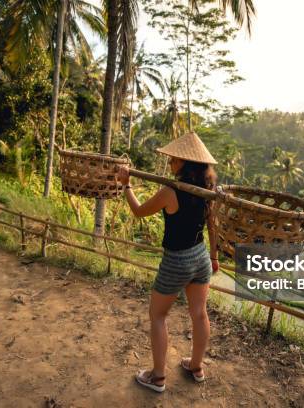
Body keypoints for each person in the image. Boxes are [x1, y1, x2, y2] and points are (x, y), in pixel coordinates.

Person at [117, 132, 220, 393]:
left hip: (177, 260)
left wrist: (126, 184)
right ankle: (196, 367)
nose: (171, 163)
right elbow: (213, 226)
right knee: (199, 313)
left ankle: (158, 376)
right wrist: (214, 257)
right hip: (200, 256)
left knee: (158, 315)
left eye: (175, 159)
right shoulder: (209, 191)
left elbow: (139, 211)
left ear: (187, 163)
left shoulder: (170, 191)